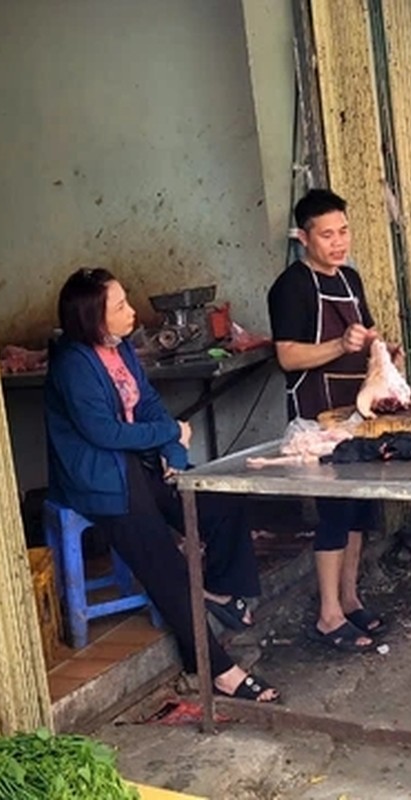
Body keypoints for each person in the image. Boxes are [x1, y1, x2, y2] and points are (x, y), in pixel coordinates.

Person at [45, 268, 279, 702]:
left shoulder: (120, 350)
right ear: (91, 317)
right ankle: (215, 669)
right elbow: (103, 434)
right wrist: (170, 433)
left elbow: (150, 405)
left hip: (139, 466)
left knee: (220, 503)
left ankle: (222, 592)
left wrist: (174, 453)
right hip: (100, 481)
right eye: (119, 307)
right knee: (165, 565)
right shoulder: (73, 364)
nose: (131, 311)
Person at [266, 189, 387, 653]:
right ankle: (328, 615)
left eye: (343, 231)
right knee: (334, 513)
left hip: (356, 410)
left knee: (358, 510)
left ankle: (351, 600)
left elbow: (365, 336)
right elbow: (288, 356)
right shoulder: (291, 286)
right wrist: (340, 345)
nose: (338, 243)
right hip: (317, 417)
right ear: (303, 237)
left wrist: (381, 352)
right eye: (327, 235)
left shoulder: (351, 280)